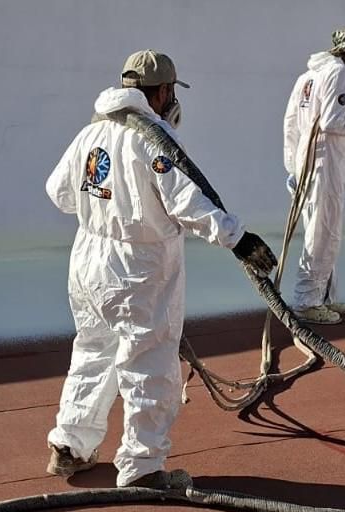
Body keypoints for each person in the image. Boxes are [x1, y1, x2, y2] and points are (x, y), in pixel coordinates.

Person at [45, 50, 277, 489]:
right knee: (148, 363)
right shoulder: (154, 139)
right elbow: (188, 201)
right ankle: (142, 466)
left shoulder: (91, 131)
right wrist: (239, 239)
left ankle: (69, 446)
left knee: (93, 352)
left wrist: (104, 207)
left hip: (88, 260)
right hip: (138, 267)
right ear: (164, 91)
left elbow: (59, 193)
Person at [283, 26, 345, 325]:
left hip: (307, 162)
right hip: (324, 164)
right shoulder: (338, 72)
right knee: (324, 233)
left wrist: (292, 166)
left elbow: (291, 123)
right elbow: (332, 120)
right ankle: (307, 301)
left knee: (321, 230)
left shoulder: (308, 77)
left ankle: (324, 295)